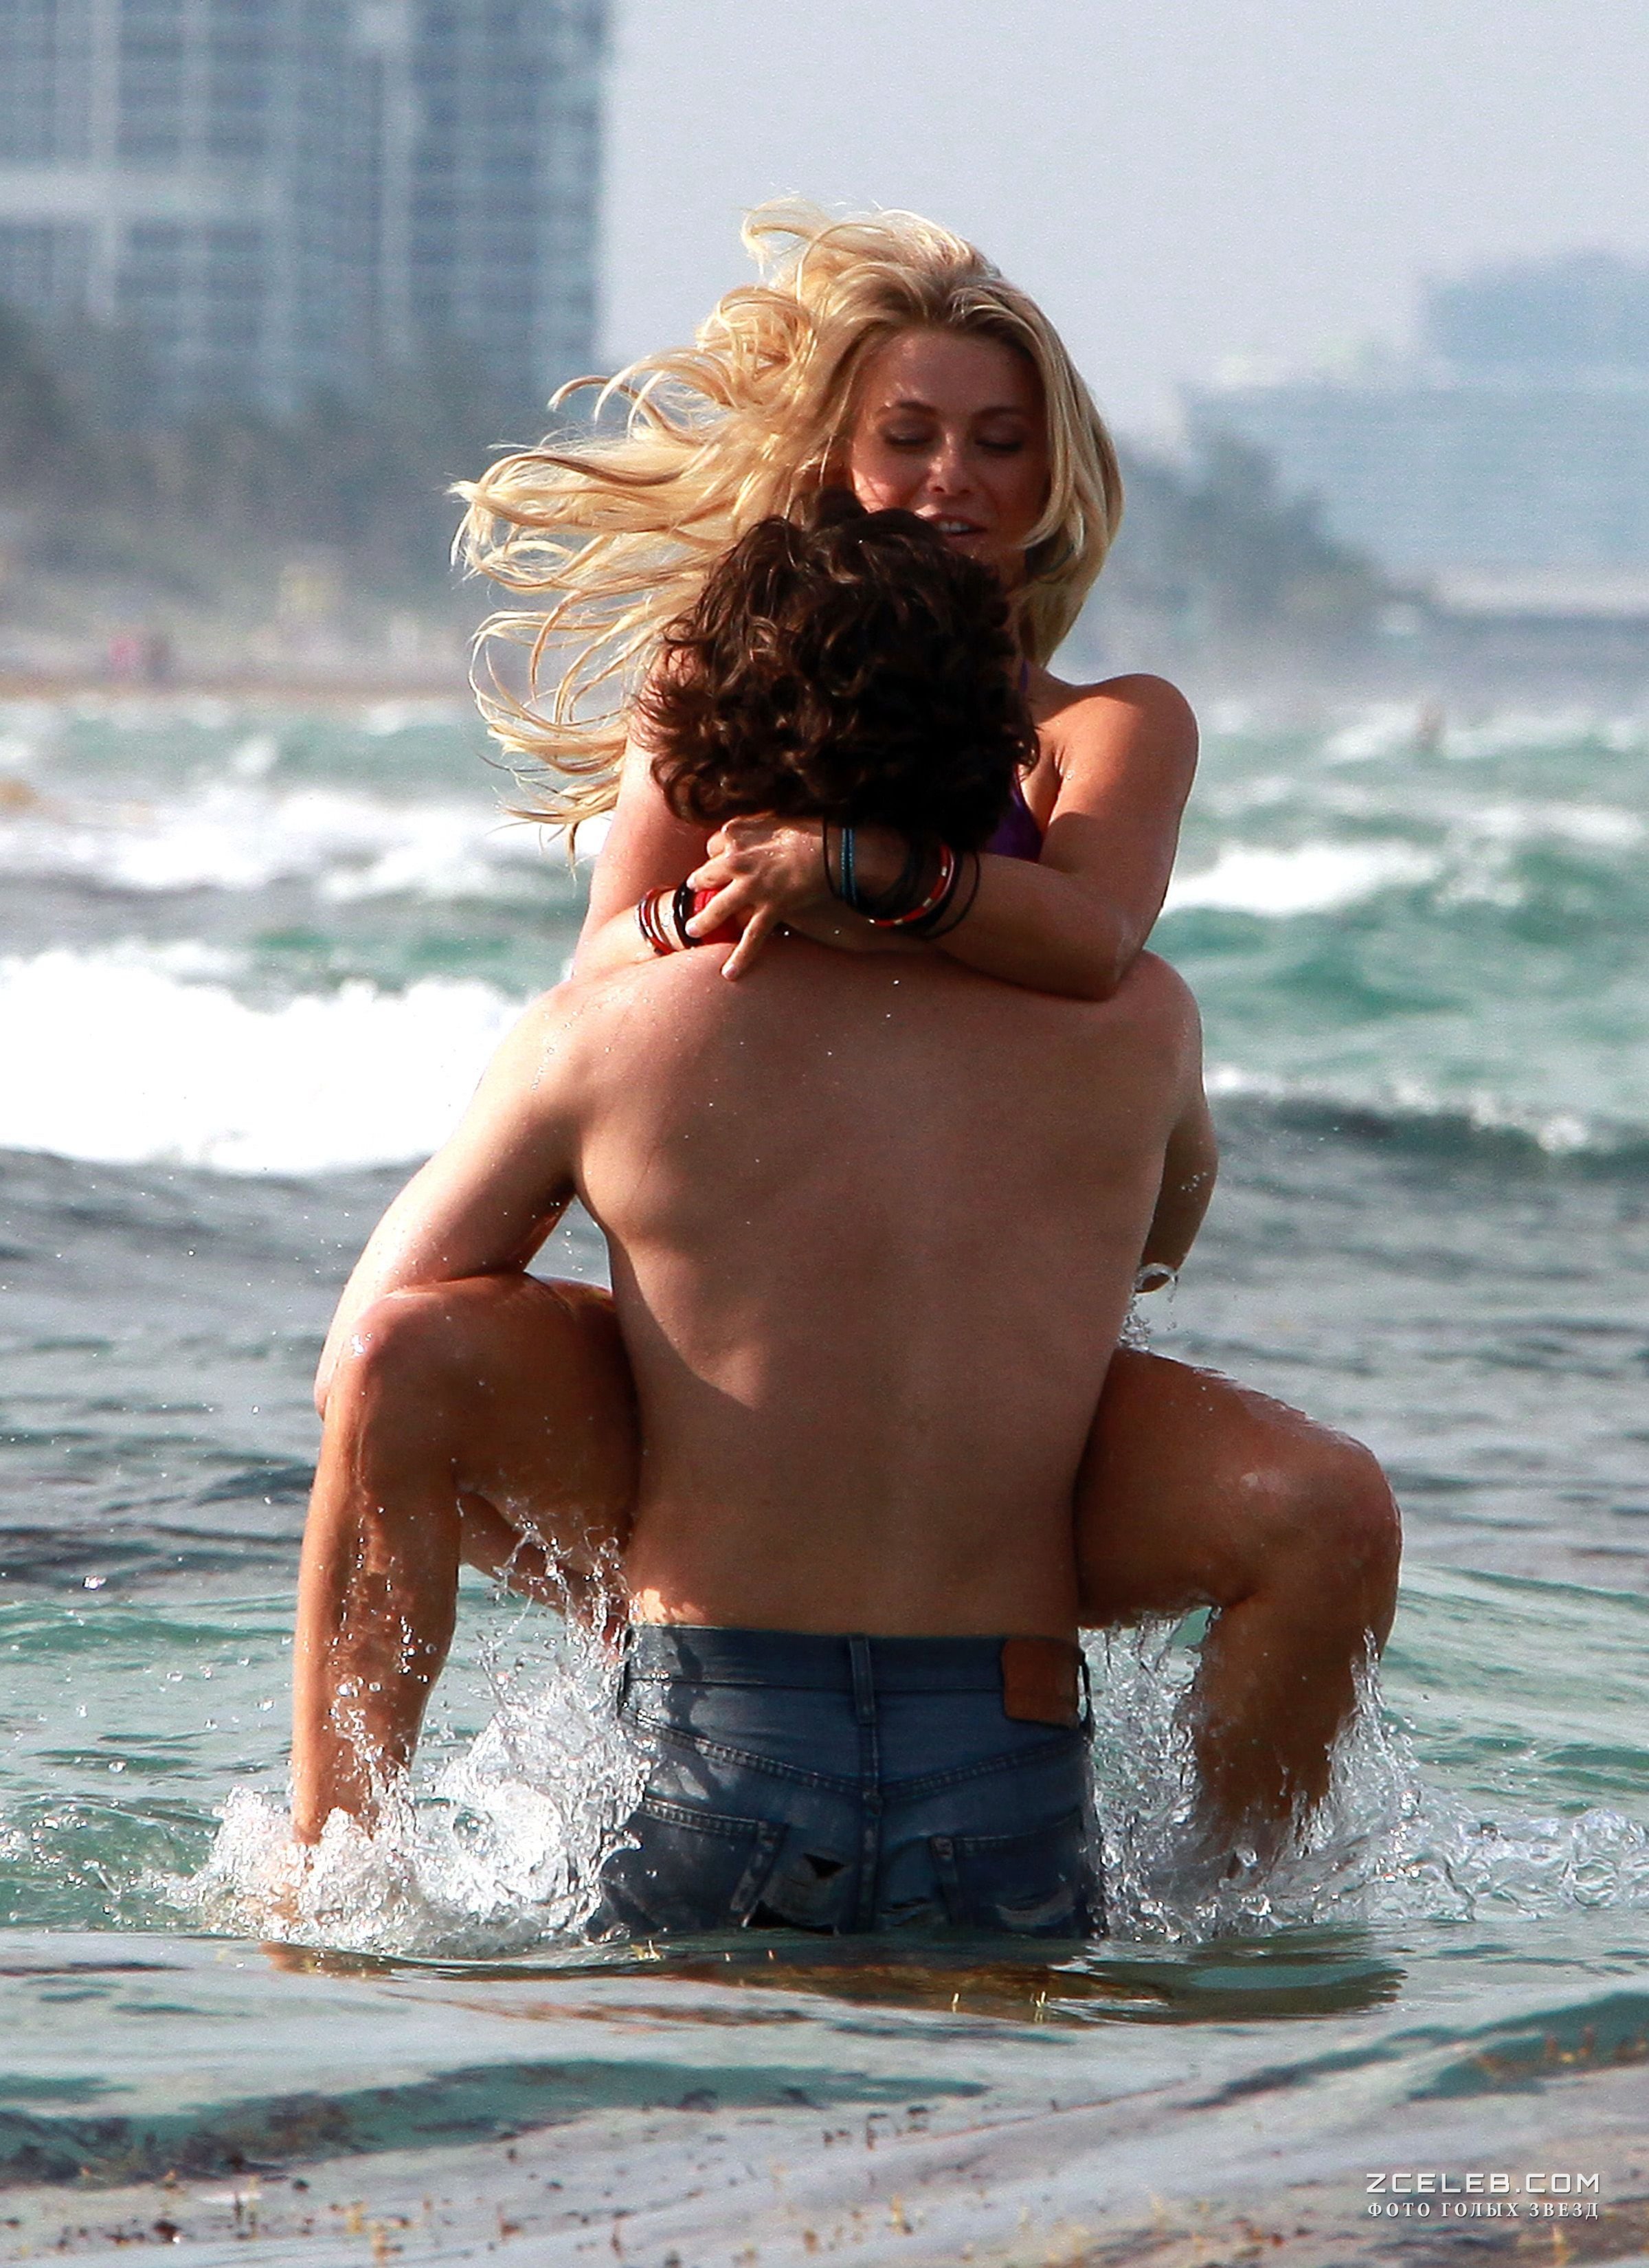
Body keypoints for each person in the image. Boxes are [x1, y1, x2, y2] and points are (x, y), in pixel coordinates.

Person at [293, 498, 1398, 1934]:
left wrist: (609, 1547)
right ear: (1000, 759)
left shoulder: (609, 1032)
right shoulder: (1140, 1028)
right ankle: (1233, 1910)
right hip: (1006, 1776)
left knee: (402, 1353)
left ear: (710, 765)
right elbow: (1156, 1255)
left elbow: (357, 1371)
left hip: (717, 1755)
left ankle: (326, 1879)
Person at [450, 201, 1399, 1849]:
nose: (953, 477)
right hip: (746, 1315)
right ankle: (501, 1728)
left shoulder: (1108, 728)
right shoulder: (713, 685)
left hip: (975, 1330)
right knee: (397, 1360)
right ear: (836, 460)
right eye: (909, 437)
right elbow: (606, 964)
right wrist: (729, 901)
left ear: (1056, 478)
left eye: (999, 443)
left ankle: (1232, 1906)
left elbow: (1092, 937)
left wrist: (851, 872)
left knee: (1322, 1512)